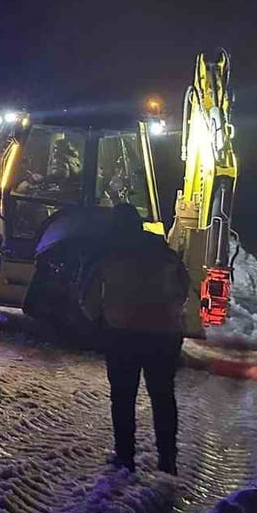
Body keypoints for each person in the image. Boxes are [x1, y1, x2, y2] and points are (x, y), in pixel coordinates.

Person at [80, 203, 191, 473]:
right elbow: (183, 288)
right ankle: (167, 460)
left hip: (123, 335)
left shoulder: (106, 253)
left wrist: (98, 320)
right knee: (163, 396)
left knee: (123, 397)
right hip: (165, 336)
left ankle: (125, 458)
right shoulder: (165, 253)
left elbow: (89, 298)